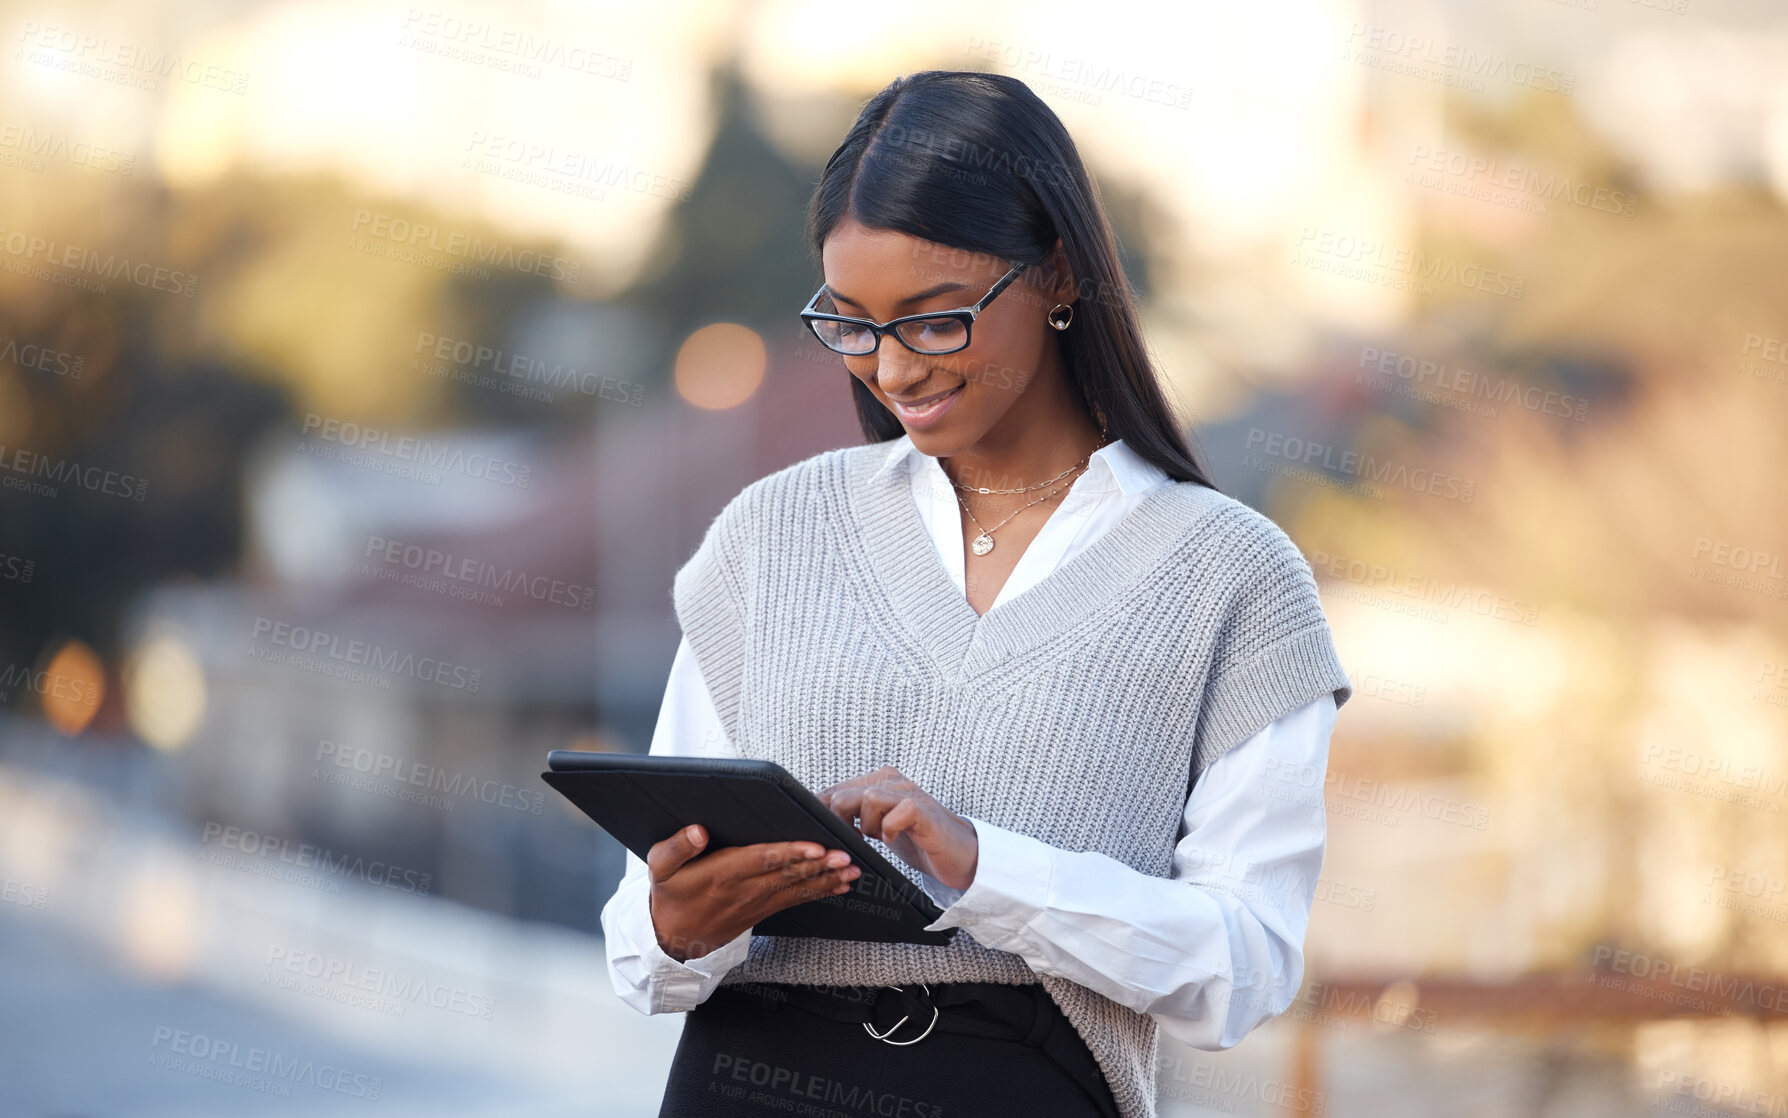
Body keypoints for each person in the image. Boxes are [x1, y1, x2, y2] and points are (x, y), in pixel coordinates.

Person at [601, 69, 1352, 1118]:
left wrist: (988, 866)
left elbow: (1245, 969)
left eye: (934, 319)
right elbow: (640, 945)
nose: (893, 369)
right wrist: (677, 922)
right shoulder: (771, 539)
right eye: (853, 323)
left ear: (1057, 277)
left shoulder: (1232, 577)